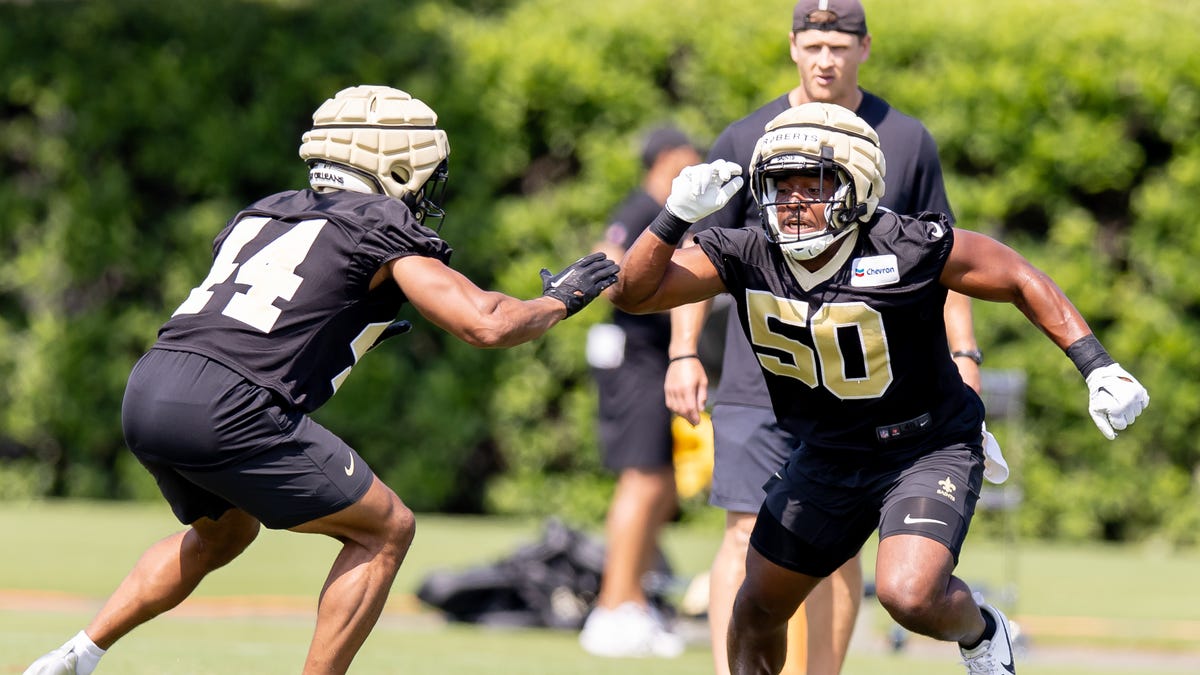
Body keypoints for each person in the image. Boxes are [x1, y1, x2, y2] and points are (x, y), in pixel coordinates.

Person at [21, 85, 619, 675]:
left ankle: (75, 655)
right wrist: (561, 301)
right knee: (386, 529)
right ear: (399, 163)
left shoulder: (263, 211)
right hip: (228, 402)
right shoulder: (380, 220)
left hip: (150, 384)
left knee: (223, 532)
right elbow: (485, 323)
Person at [609, 102, 1149, 675]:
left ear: (856, 184)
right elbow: (633, 294)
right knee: (757, 606)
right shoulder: (747, 252)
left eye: (810, 183)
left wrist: (1096, 364)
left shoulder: (905, 246)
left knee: (909, 595)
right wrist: (672, 218)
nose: (792, 200)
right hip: (826, 453)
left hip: (924, 445)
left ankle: (982, 630)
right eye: (779, 183)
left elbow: (1016, 275)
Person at [664, 2, 982, 672]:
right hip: (761, 372)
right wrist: (684, 350)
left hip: (863, 385)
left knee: (836, 544)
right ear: (792, 47)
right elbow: (696, 256)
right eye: (813, 44)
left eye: (839, 45)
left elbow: (946, 262)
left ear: (865, 47)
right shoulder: (749, 135)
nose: (825, 59)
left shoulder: (905, 139)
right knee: (747, 531)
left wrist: (964, 354)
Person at [579, 127, 703, 658]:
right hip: (638, 362)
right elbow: (606, 260)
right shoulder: (644, 209)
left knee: (663, 486)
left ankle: (632, 601)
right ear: (670, 160)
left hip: (650, 363)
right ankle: (611, 608)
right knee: (644, 480)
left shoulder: (655, 211)